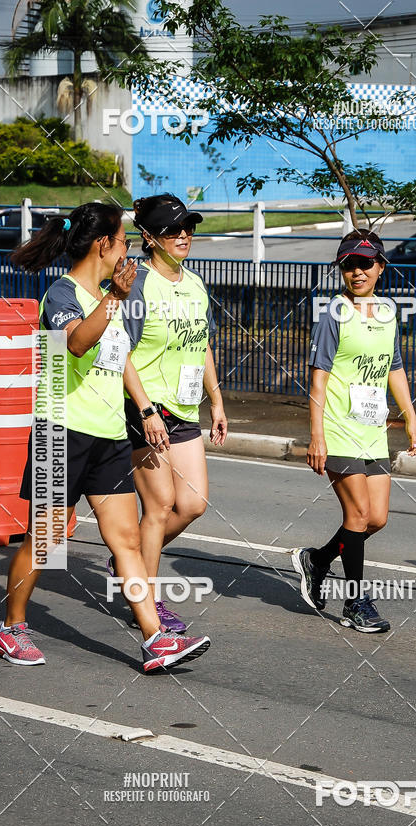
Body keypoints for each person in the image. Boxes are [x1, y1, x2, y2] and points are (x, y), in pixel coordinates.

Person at [0, 202, 210, 672]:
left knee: (127, 540)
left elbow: (121, 354)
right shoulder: (62, 293)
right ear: (102, 245)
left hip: (110, 434)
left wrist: (146, 409)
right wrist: (113, 296)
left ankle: (155, 639)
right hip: (60, 432)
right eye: (123, 241)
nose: (127, 250)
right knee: (47, 541)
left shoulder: (111, 296)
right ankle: (11, 627)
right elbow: (76, 341)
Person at [291, 229, 416, 632]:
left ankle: (317, 560)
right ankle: (355, 603)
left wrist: (411, 416)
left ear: (381, 267)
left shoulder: (386, 311)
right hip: (337, 426)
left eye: (365, 263)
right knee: (358, 513)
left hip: (372, 428)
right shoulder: (333, 314)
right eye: (348, 264)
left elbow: (394, 367)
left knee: (376, 518)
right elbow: (317, 381)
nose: (357, 271)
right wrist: (317, 436)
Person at [115, 194, 227, 633]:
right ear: (148, 237)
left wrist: (216, 400)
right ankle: (149, 597)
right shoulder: (136, 282)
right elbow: (117, 348)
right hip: (145, 408)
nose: (183, 236)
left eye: (188, 228)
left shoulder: (195, 284)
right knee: (159, 506)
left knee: (193, 503)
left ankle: (132, 564)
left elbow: (203, 345)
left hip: (184, 409)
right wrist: (144, 409)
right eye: (170, 230)